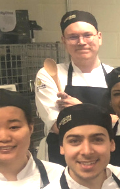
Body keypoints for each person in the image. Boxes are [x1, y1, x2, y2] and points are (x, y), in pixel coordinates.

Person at [35, 10, 113, 165]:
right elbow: (59, 126)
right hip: (59, 158)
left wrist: (80, 108)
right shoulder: (49, 74)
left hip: (103, 156)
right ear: (64, 41)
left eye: (87, 35)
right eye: (73, 37)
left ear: (99, 37)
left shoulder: (114, 75)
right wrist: (111, 120)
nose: (81, 41)